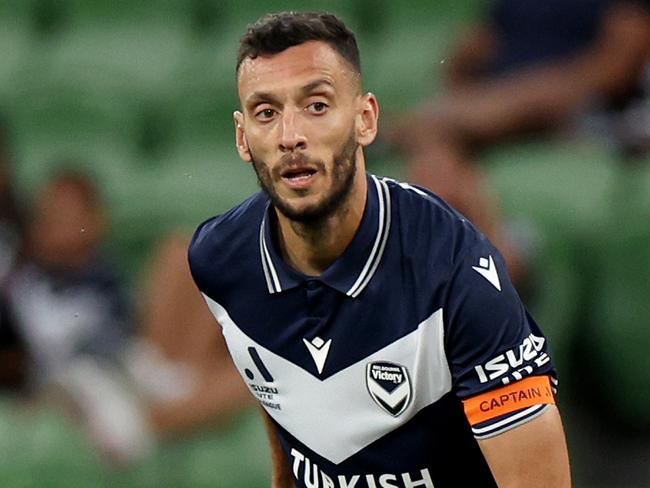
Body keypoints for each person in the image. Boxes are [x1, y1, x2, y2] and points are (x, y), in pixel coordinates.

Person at [188, 11, 571, 487]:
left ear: (365, 119)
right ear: (244, 138)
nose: (291, 137)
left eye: (317, 106)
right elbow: (281, 390)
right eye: (267, 113)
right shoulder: (220, 259)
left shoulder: (455, 273)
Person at [387, 0, 650, 284]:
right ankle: (495, 257)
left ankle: (401, 131)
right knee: (437, 141)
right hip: (496, 105)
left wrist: (536, 94)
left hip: (578, 109)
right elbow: (471, 51)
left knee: (433, 130)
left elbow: (616, 67)